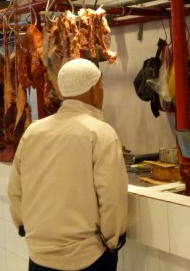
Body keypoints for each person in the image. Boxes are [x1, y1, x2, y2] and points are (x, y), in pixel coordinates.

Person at [7, 58, 128, 271]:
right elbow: (111, 195)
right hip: (87, 257)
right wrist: (113, 239)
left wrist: (23, 226)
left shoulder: (33, 132)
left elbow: (15, 190)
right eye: (101, 86)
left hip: (39, 256)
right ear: (94, 89)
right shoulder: (100, 133)